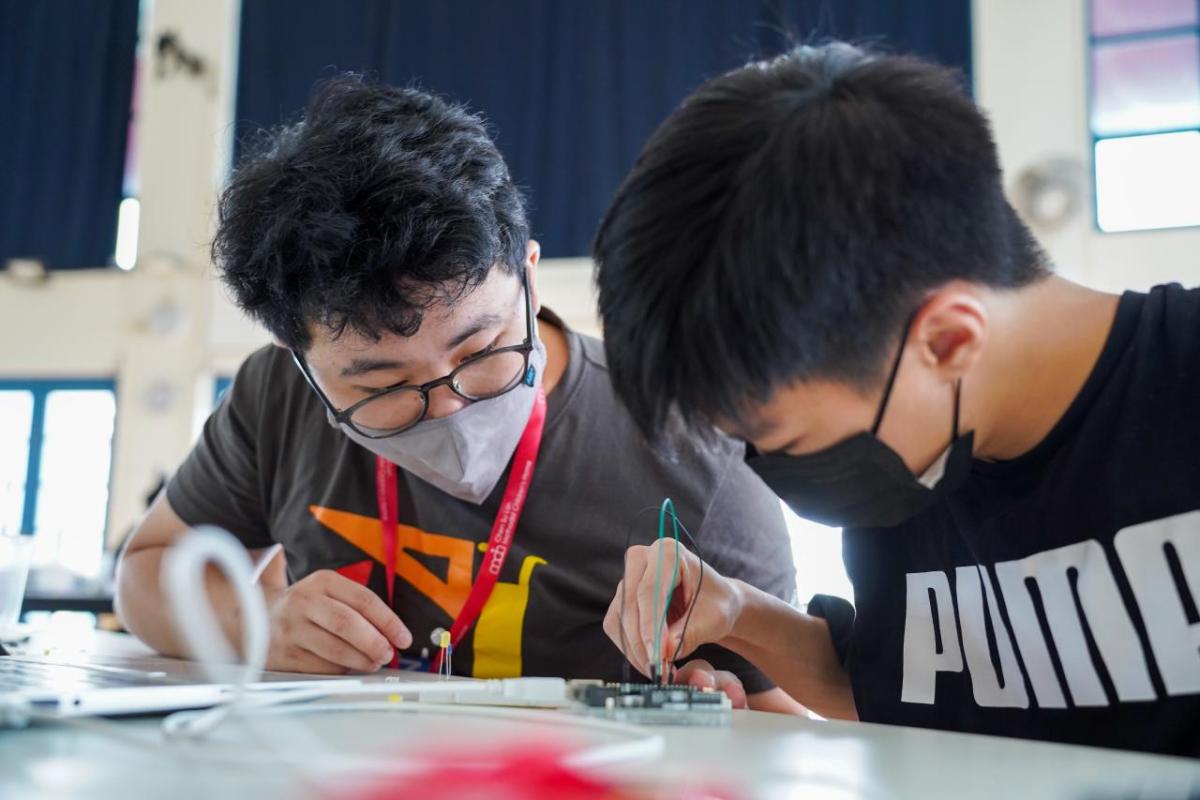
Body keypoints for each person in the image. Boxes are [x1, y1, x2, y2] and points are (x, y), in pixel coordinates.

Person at [114, 76, 802, 713]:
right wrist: (254, 626)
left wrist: (716, 712)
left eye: (479, 351)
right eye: (383, 384)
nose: (448, 407)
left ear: (528, 279)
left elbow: (789, 728)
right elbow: (147, 571)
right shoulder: (277, 400)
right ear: (299, 359)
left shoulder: (693, 450)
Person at [592, 43, 1199, 755]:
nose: (770, 470)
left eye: (782, 442)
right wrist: (734, 611)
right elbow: (894, 685)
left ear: (944, 340)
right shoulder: (916, 442)